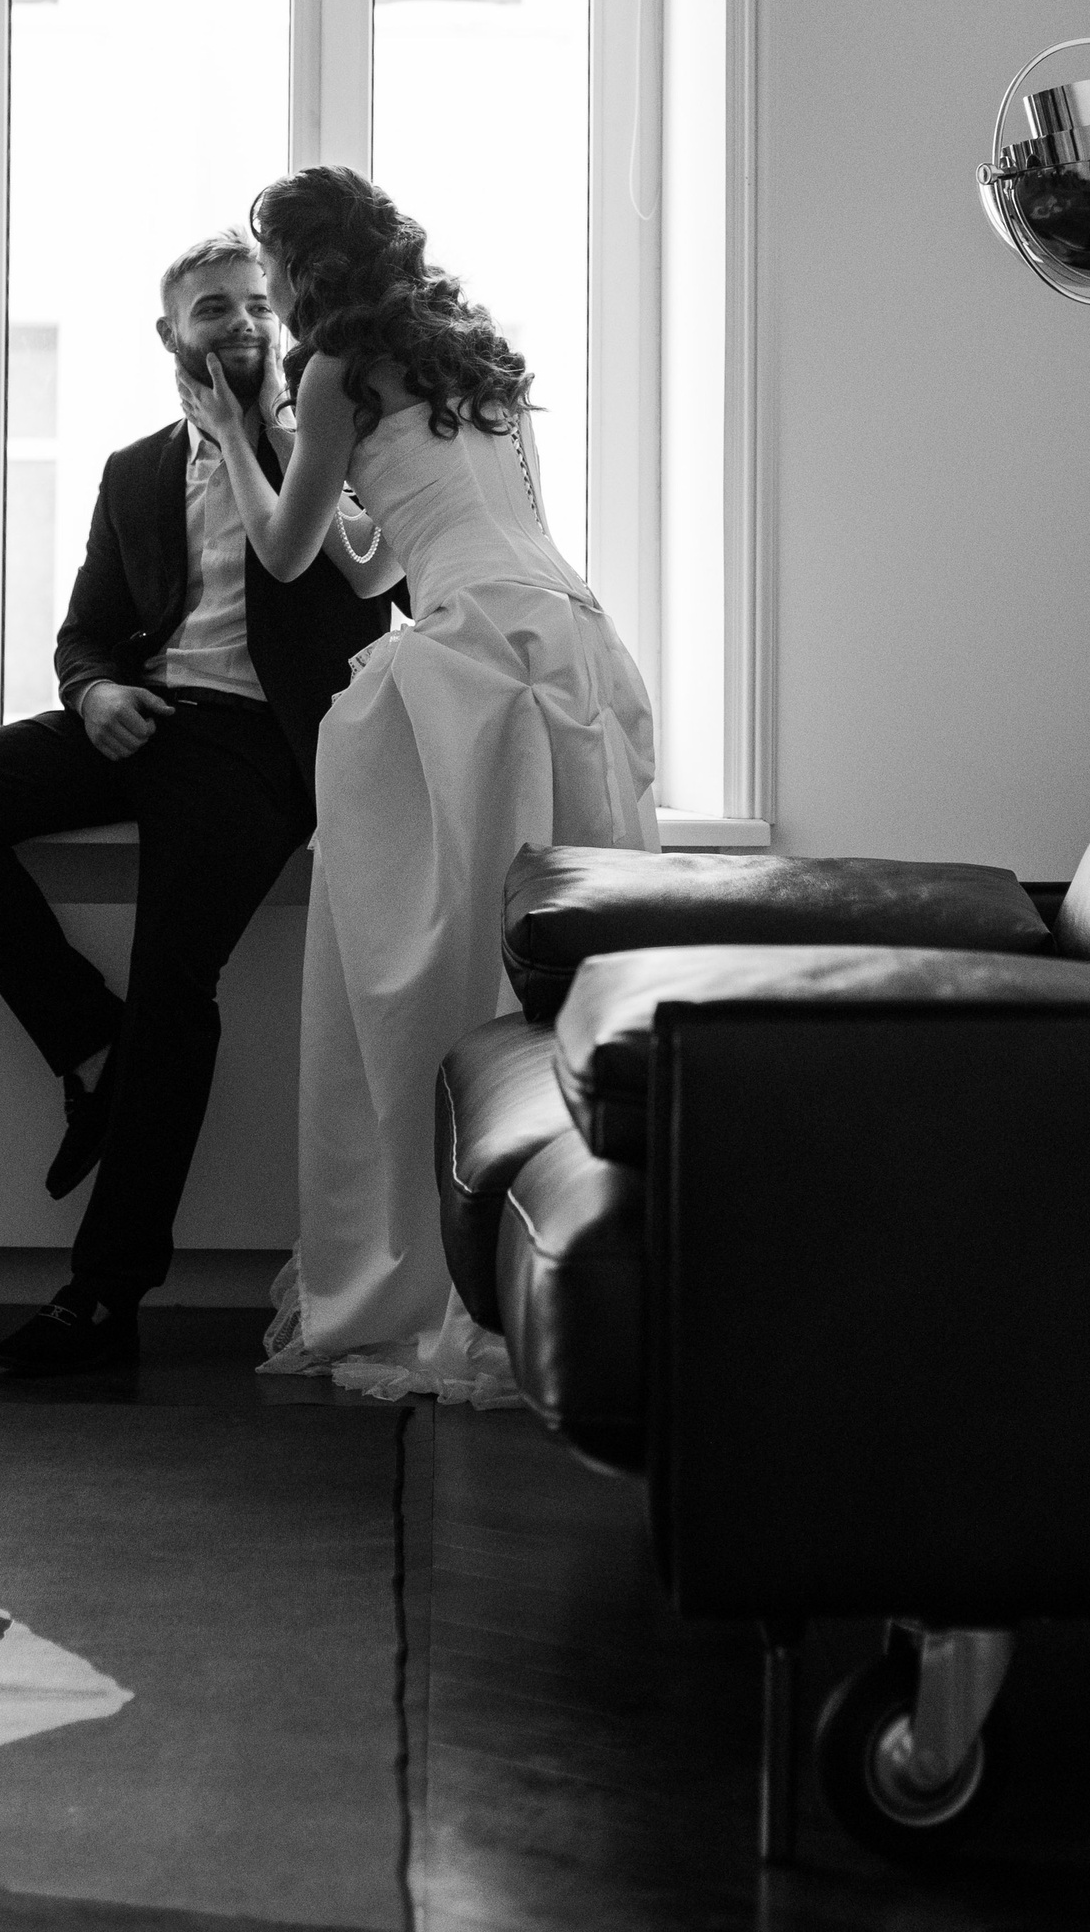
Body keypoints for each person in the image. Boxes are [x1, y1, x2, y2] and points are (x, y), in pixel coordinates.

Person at [0, 229, 402, 1376]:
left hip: (259, 748)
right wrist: (97, 689)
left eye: (257, 302)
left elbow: (389, 583)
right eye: (213, 307)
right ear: (170, 334)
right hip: (142, 717)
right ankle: (88, 1034)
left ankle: (103, 1299)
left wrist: (272, 443)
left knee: (176, 986)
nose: (242, 322)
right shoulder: (135, 471)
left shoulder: (339, 447)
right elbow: (85, 630)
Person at [174, 168, 657, 1405]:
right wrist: (318, 467)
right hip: (570, 636)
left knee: (431, 961)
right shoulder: (477, 358)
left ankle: (444, 1264)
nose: (273, 300)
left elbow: (288, 553)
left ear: (306, 270)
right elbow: (377, 559)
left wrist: (239, 440)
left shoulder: (335, 368)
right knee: (553, 960)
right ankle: (546, 1263)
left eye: (274, 274)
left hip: (476, 653)